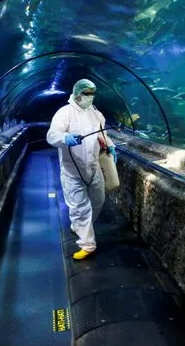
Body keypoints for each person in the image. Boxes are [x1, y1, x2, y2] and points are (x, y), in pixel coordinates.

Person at [47, 79, 117, 260]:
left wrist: (110, 145)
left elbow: (103, 134)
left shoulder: (96, 114)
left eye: (93, 93)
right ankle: (87, 244)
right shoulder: (65, 113)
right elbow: (51, 135)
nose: (90, 97)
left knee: (98, 200)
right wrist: (65, 137)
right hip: (72, 169)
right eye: (87, 93)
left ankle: (79, 226)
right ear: (78, 94)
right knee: (79, 207)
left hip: (93, 166)